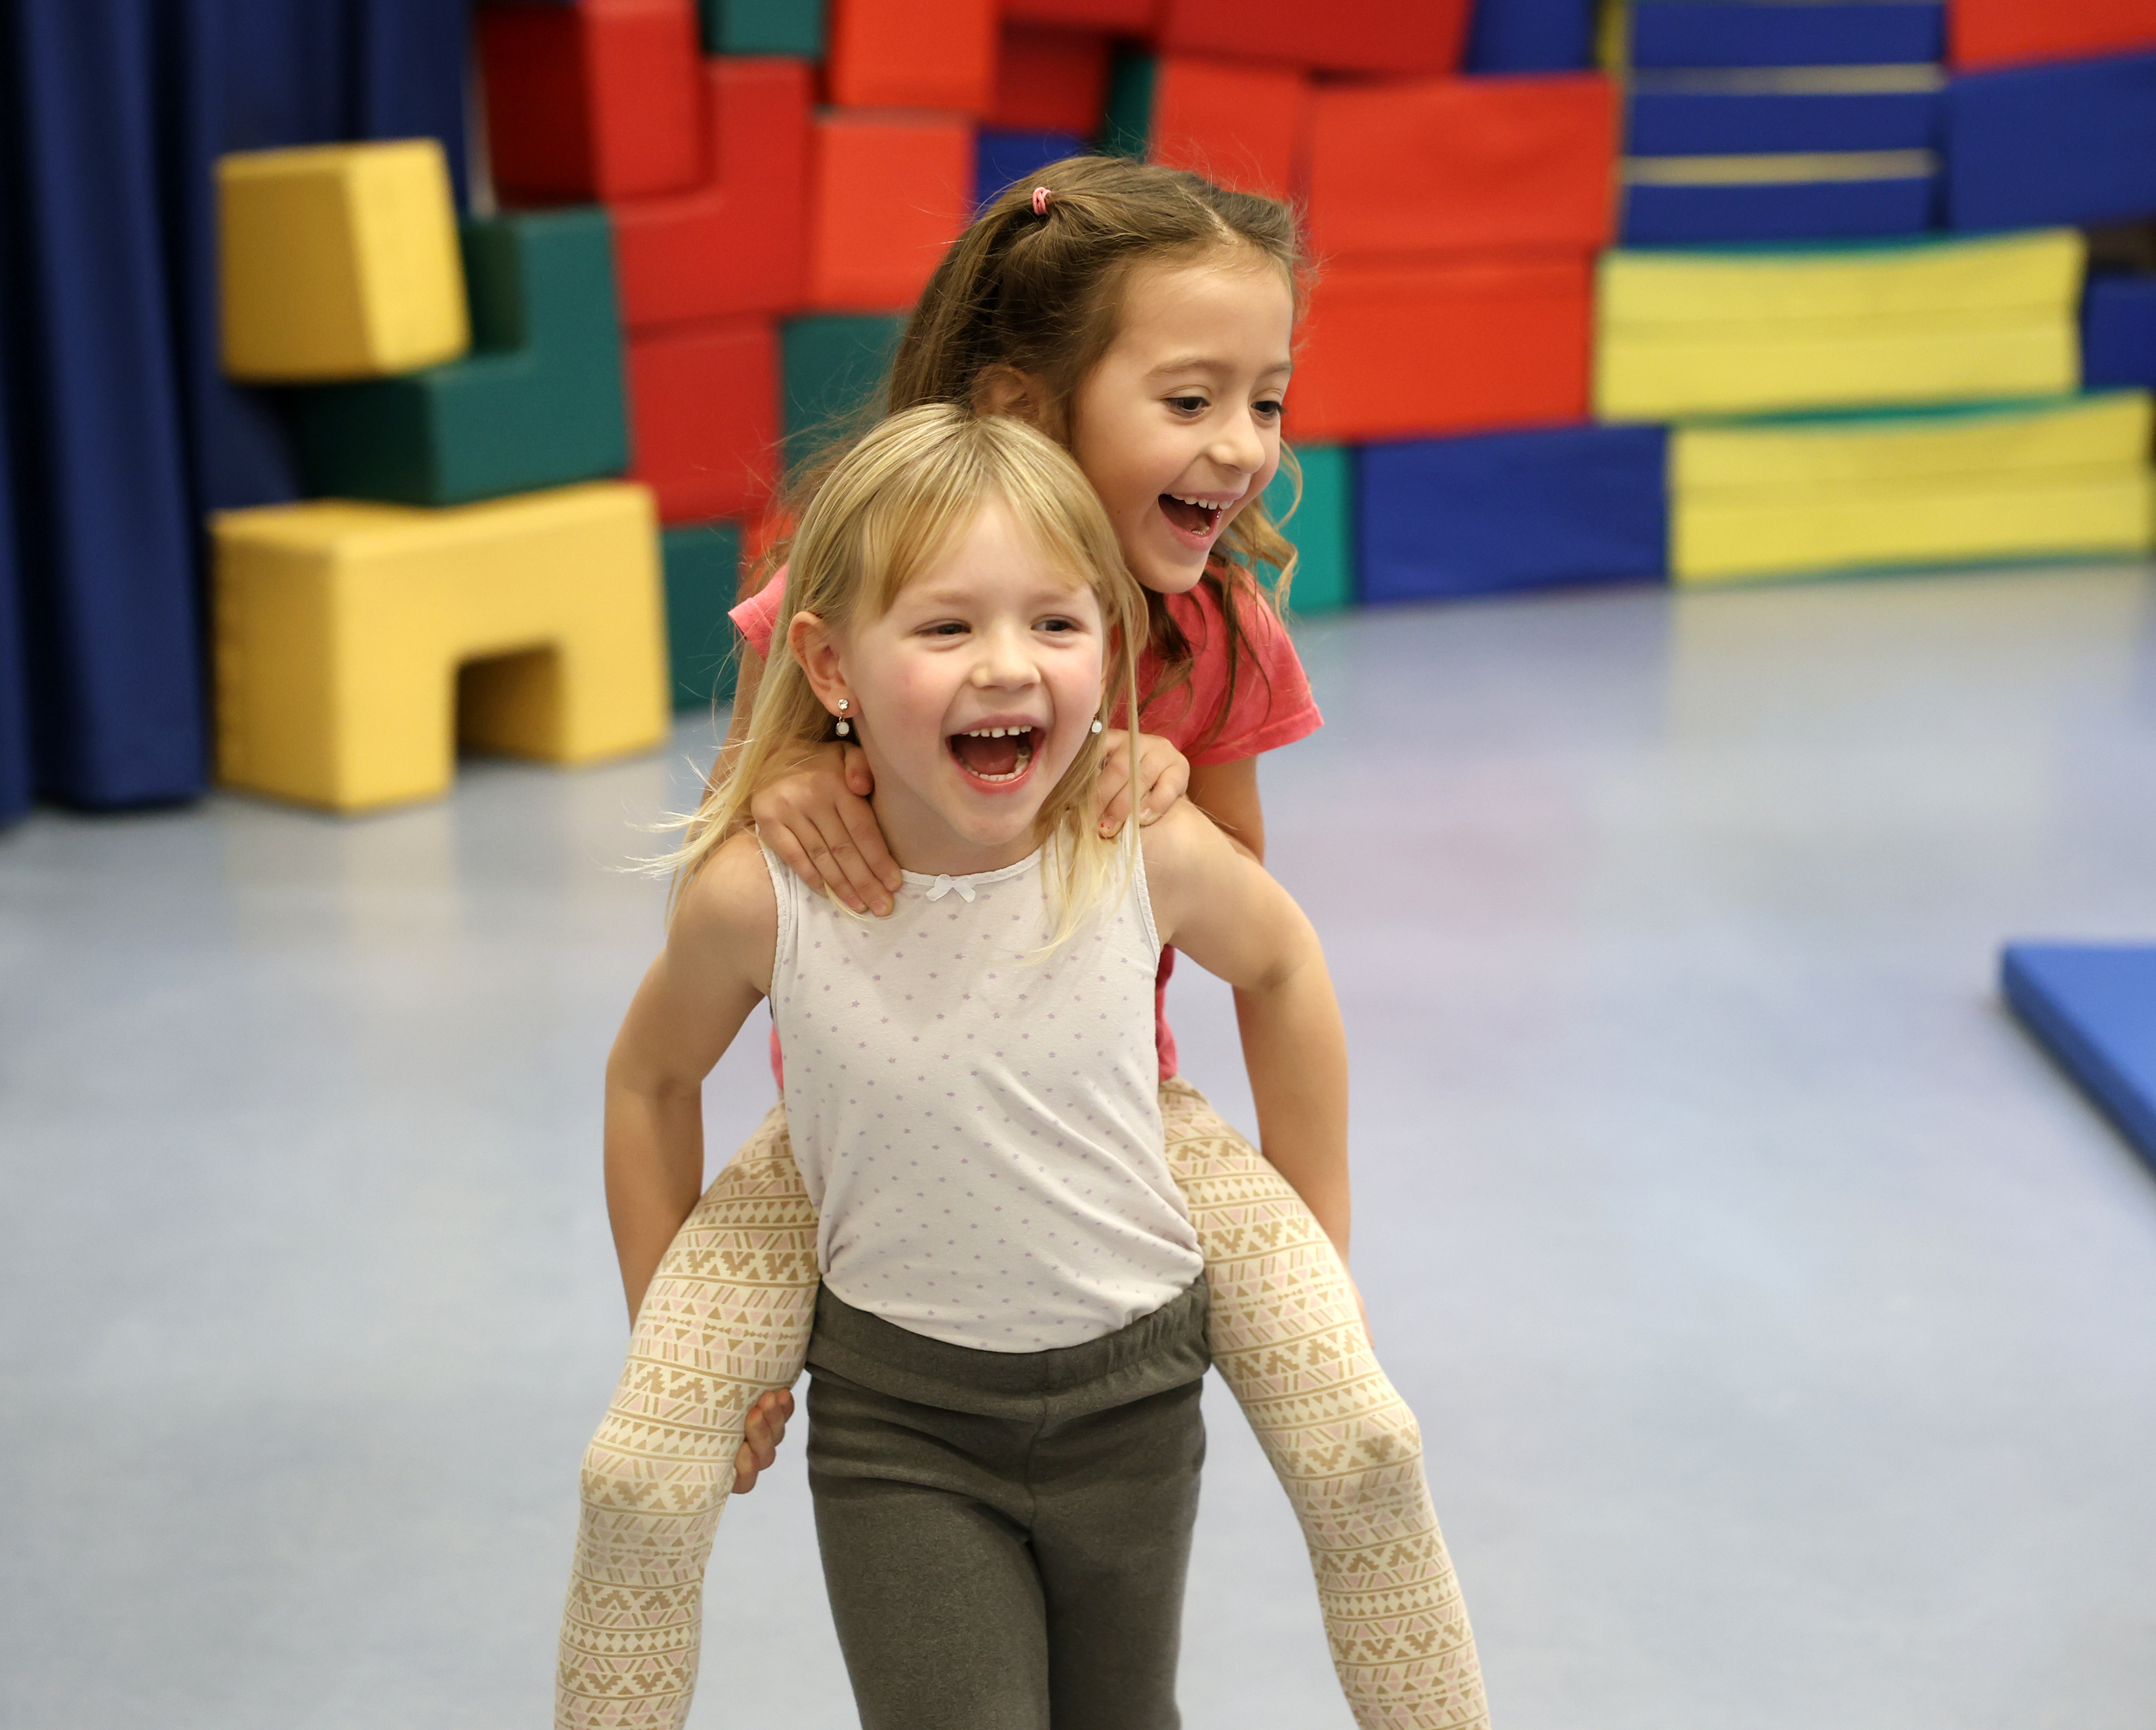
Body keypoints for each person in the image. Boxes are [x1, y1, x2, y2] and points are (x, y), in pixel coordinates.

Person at [558, 160, 1486, 1730]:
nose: (1243, 448)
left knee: (1368, 1443)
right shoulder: (862, 579)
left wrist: (1171, 781)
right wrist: (791, 776)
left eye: (1267, 401)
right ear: (1035, 405)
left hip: (1124, 1102)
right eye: (1192, 397)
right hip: (847, 1135)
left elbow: (1255, 926)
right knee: (637, 1479)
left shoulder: (1211, 627)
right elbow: (724, 905)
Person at [597, 404, 1359, 1729]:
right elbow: (650, 1078)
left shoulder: (1142, 847)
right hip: (904, 1422)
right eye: (947, 627)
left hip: (1137, 1396)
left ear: (1107, 647)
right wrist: (679, 1344)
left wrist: (1315, 1256)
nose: (1006, 665)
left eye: (1055, 625)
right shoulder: (762, 893)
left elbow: (1285, 963)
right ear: (830, 665)